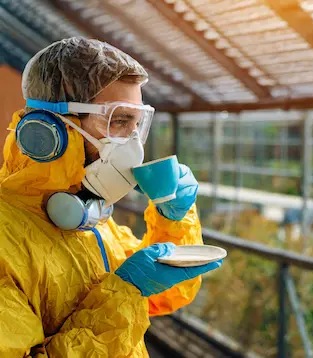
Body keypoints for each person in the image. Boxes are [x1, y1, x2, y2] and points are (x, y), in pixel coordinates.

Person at [0, 37, 222, 357]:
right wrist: (124, 291)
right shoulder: (7, 241)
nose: (132, 144)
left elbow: (159, 298)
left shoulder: (90, 216)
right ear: (47, 130)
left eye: (136, 124)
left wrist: (173, 220)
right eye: (118, 121)